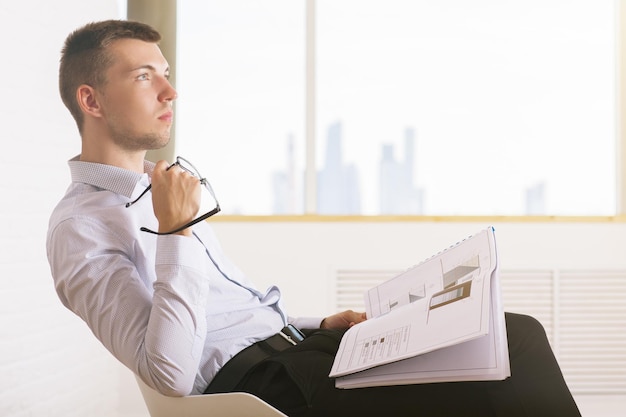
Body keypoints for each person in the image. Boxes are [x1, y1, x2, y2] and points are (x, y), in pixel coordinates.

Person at [47, 19, 581, 417]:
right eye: (145, 77)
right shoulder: (80, 229)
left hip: (304, 350)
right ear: (91, 100)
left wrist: (317, 324)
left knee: (504, 337)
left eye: (166, 73)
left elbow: (226, 315)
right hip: (271, 389)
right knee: (519, 349)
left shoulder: (156, 187)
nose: (171, 91)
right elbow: (169, 373)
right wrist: (176, 231)